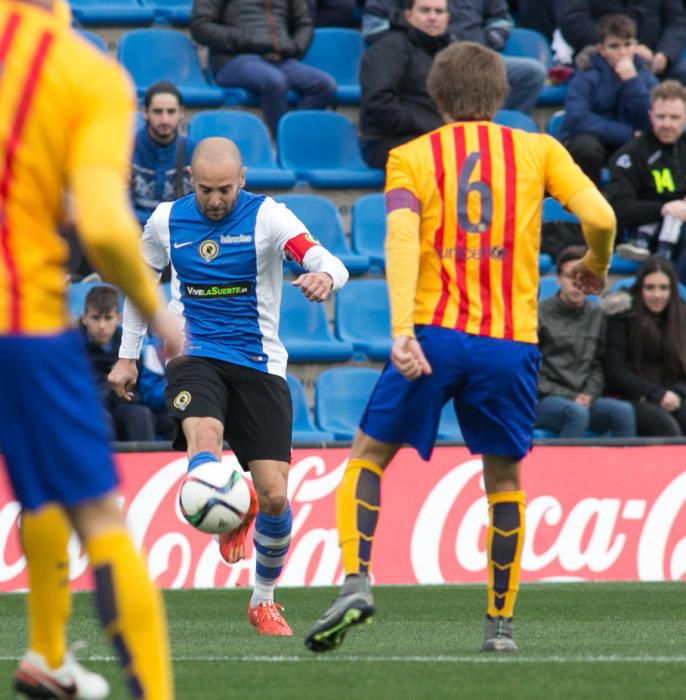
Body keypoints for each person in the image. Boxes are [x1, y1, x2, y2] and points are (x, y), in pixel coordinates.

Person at [304, 41, 616, 654]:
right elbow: (602, 217)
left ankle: (356, 582)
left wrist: (400, 330)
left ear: (436, 97)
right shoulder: (539, 149)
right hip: (509, 344)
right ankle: (499, 627)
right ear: (502, 96)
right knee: (503, 481)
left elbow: (400, 241)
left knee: (367, 456)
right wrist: (594, 265)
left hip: (434, 335)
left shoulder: (411, 157)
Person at [0, 1, 182, 698]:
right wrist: (157, 310)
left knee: (38, 490)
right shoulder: (83, 73)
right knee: (98, 513)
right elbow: (106, 227)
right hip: (19, 320)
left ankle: (48, 652)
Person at [108, 137, 349, 637]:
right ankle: (216, 488)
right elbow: (139, 280)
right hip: (194, 354)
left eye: (223, 190)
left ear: (242, 181)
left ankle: (263, 600)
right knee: (205, 443)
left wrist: (325, 278)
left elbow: (327, 260)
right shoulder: (166, 221)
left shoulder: (268, 218)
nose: (215, 201)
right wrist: (127, 356)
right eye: (205, 190)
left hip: (259, 364)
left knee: (277, 497)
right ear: (190, 183)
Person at [190, 0, 337, 136]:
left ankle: (290, 136)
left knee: (324, 86)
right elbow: (200, 26)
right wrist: (245, 40)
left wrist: (296, 46)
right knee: (275, 81)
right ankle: (278, 143)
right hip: (233, 58)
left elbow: (304, 23)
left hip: (279, 59)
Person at [536, 246, 636, 437]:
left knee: (623, 412)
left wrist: (589, 394)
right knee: (576, 413)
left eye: (583, 276)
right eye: (569, 276)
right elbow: (531, 371)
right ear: (558, 280)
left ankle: (623, 467)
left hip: (584, 398)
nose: (576, 283)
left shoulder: (597, 314)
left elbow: (598, 363)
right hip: (544, 400)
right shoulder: (539, 314)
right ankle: (565, 467)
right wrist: (571, 397)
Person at [562, 13, 657, 186]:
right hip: (598, 143)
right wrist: (625, 133)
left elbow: (651, 117)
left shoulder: (644, 75)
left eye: (627, 45)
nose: (622, 52)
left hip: (631, 144)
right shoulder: (586, 74)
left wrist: (632, 82)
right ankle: (589, 205)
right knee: (585, 147)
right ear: (601, 49)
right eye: (614, 46)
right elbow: (577, 118)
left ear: (635, 45)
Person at [359, 0, 450, 168]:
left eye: (438, 12)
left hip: (435, 137)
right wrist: (431, 127)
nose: (432, 17)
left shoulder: (451, 53)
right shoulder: (388, 47)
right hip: (389, 141)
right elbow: (379, 103)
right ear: (408, 15)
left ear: (447, 18)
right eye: (424, 11)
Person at [607, 81, 686, 271]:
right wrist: (664, 208)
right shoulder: (630, 155)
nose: (667, 124)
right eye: (661, 117)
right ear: (651, 116)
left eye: (674, 117)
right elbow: (620, 209)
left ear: (684, 118)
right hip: (644, 236)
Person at [603, 256, 686, 435]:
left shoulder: (681, 316)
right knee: (667, 428)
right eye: (650, 288)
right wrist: (656, 394)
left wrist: (674, 393)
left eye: (664, 288)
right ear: (640, 288)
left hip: (672, 394)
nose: (657, 295)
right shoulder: (622, 315)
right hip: (630, 396)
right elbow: (614, 372)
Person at [81, 286, 159, 442]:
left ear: (118, 318)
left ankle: (145, 465)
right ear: (84, 318)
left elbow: (145, 387)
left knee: (141, 414)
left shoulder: (130, 344)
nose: (101, 326)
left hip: (122, 404)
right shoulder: (73, 346)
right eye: (96, 318)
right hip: (88, 407)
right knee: (101, 418)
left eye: (108, 318)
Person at [446, 0, 547, 115]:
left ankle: (501, 124)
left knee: (533, 72)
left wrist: (492, 39)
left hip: (479, 56)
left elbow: (501, 19)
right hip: (436, 58)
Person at [559, 0, 686, 85]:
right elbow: (573, 21)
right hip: (602, 59)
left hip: (655, 57)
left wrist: (664, 54)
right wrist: (623, 47)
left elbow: (677, 21)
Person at [130, 80, 196, 228]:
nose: (165, 119)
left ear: (181, 113)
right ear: (145, 113)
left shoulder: (195, 153)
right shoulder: (125, 150)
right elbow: (121, 210)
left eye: (171, 112)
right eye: (158, 111)